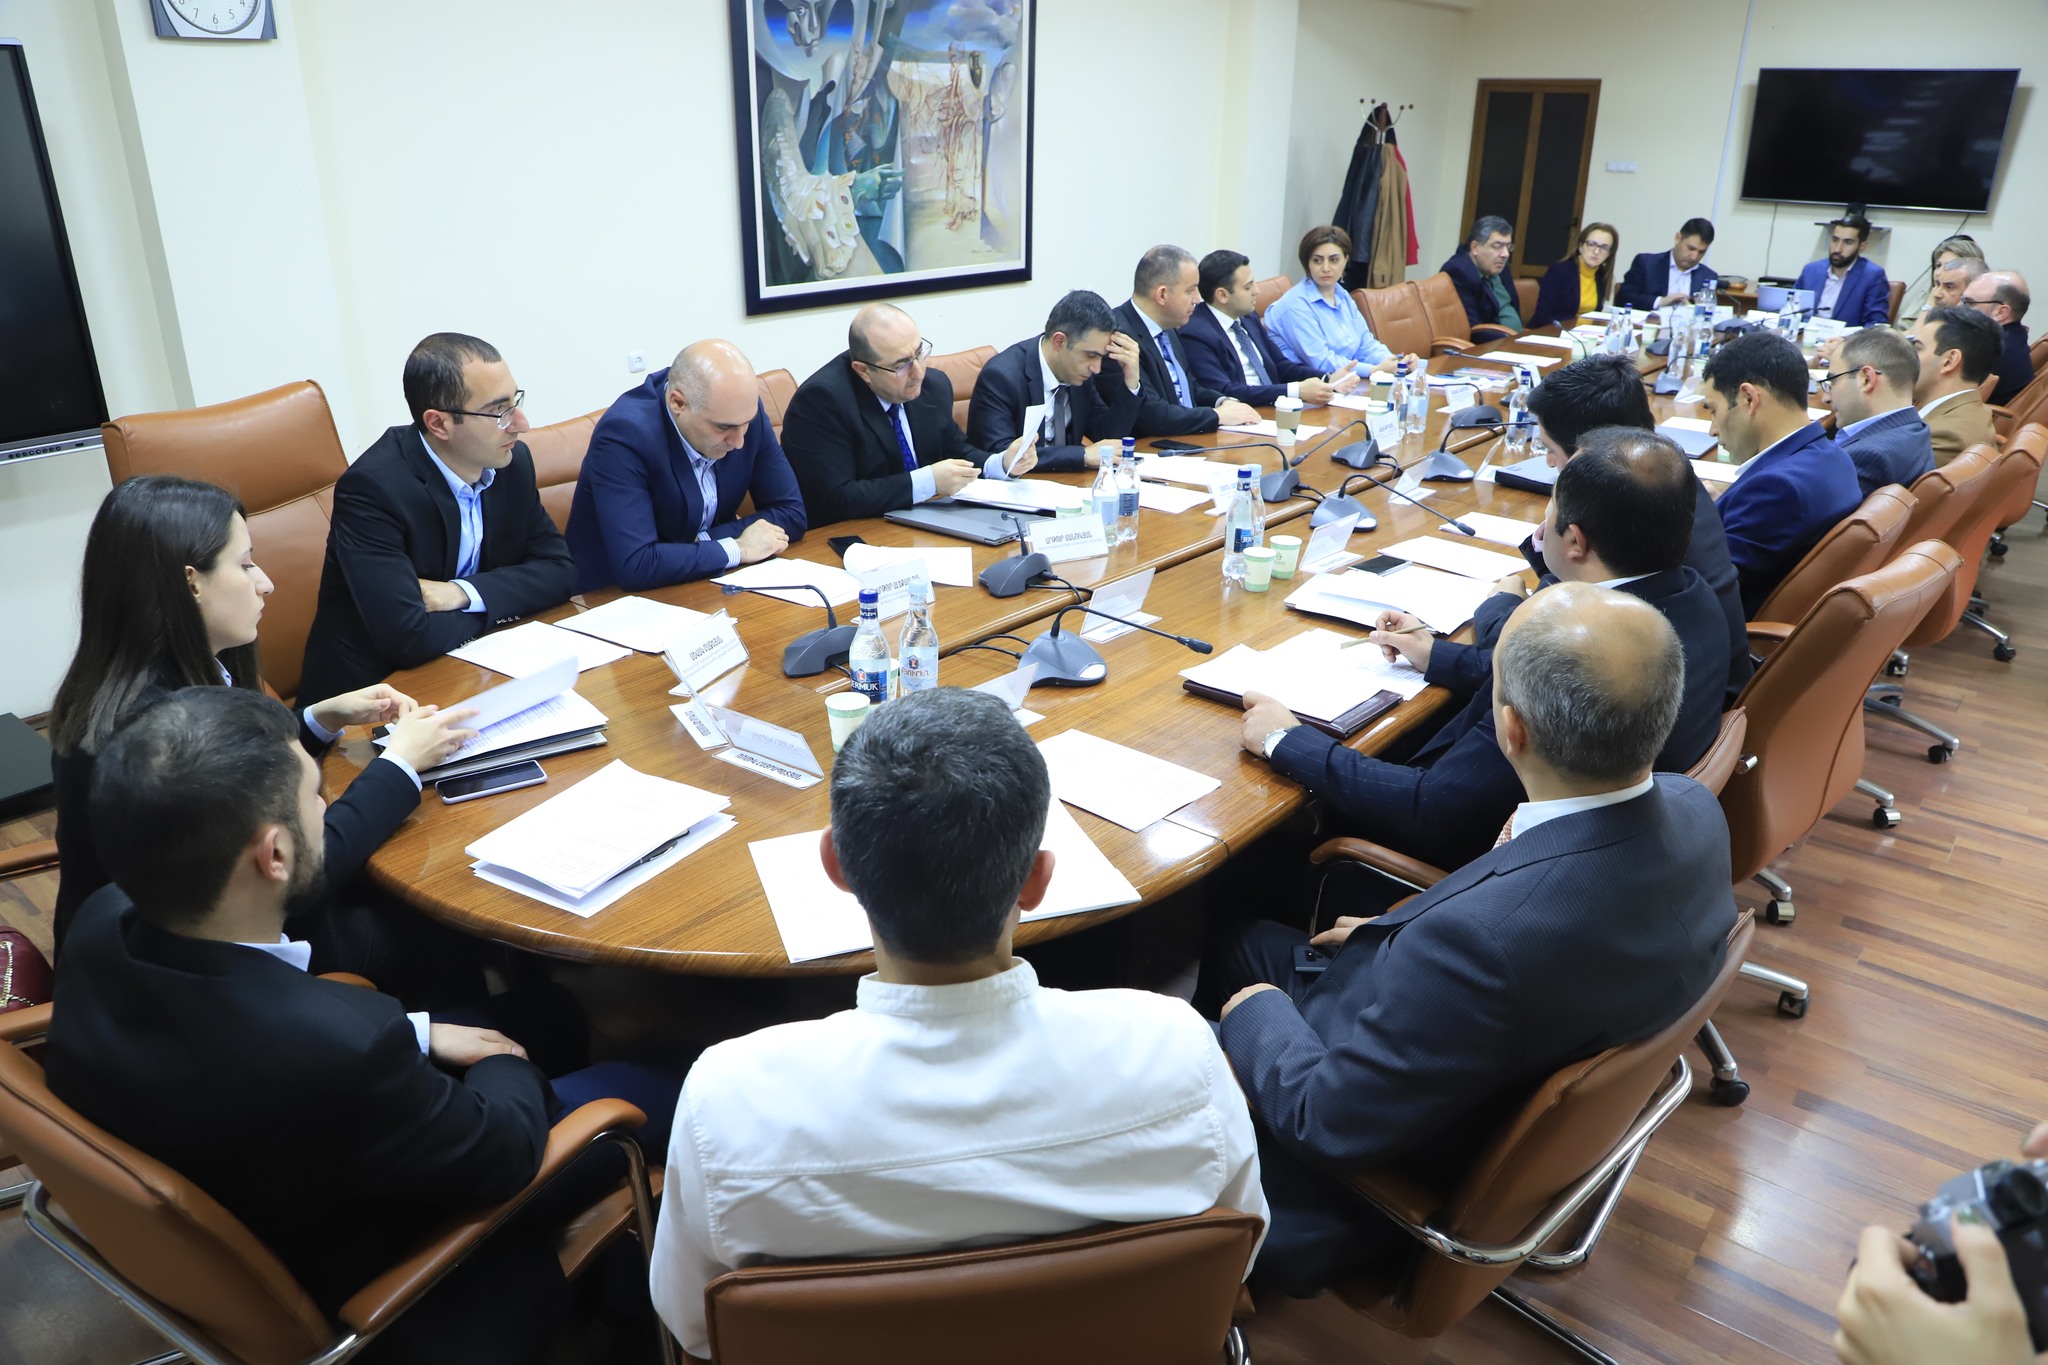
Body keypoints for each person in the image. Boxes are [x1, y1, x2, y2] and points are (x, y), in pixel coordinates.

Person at [44, 687, 682, 1365]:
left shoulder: (102, 922)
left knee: (556, 1012)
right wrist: (507, 1061)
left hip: (256, 1157)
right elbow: (505, 1154)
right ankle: (629, 1300)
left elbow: (293, 1033)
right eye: (314, 796)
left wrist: (419, 1031)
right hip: (414, 1265)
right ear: (274, 856)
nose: (327, 808)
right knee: (675, 1074)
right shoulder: (342, 1049)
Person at [648, 688, 1267, 1359]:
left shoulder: (729, 1098)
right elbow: (1239, 1253)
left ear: (836, 866)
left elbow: (695, 1325)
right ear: (1037, 881)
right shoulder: (1177, 1050)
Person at [1212, 582, 1737, 1296]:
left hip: (1376, 1159)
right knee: (1248, 937)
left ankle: (1231, 1217)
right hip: (1486, 1036)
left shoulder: (1480, 945)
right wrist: (1400, 932)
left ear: (1510, 730)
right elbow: (1514, 914)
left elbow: (1323, 1118)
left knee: (1240, 975)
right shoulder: (1695, 805)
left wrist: (1257, 1012)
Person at [1239, 431, 1734, 874]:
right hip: (1613, 841)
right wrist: (1435, 655)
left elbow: (1426, 811)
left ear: (1576, 540)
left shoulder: (1574, 653)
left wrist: (1285, 739)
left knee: (1255, 858)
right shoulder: (1690, 598)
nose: (1543, 521)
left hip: (1475, 868)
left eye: (1551, 507)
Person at [46, 477, 477, 969]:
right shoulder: (161, 732)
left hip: (179, 935)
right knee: (443, 919)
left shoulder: (129, 680)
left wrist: (318, 718)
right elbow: (297, 870)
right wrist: (401, 763)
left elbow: (243, 775)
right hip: (198, 969)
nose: (266, 582)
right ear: (191, 582)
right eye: (246, 563)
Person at [299, 333, 576, 705]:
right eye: (499, 411)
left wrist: (462, 594)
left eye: (516, 401)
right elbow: (409, 637)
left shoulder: (512, 464)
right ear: (439, 424)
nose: (521, 423)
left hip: (476, 672)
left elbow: (561, 572)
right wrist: (503, 604)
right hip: (372, 700)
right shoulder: (374, 489)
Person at [1524, 353, 1750, 705]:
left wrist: (1500, 607)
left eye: (1551, 449)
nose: (1549, 461)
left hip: (1657, 700)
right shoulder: (1672, 482)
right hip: (1708, 687)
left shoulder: (1636, 516)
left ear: (1592, 449)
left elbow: (1533, 654)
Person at [565, 339, 808, 594]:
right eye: (723, 428)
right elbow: (638, 564)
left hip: (708, 581)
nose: (739, 442)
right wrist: (738, 547)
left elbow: (792, 513)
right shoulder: (624, 436)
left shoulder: (740, 412)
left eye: (746, 423)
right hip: (613, 597)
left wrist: (703, 542)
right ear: (678, 403)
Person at [779, 304, 1037, 527]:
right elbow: (835, 499)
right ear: (863, 371)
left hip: (926, 525)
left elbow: (958, 452)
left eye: (919, 353)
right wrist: (928, 482)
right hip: (855, 537)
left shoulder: (932, 386)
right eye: (901, 365)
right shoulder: (821, 402)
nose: (919, 373)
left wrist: (1002, 463)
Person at [1698, 331, 1862, 615]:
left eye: (1714, 411)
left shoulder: (1777, 489)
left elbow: (1707, 591)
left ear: (1748, 398)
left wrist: (1687, 521)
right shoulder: (1833, 457)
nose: (1713, 430)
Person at [966, 289, 1143, 471]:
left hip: (1065, 480)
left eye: (1101, 357)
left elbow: (1106, 437)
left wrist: (1131, 382)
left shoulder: (1078, 374)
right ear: (1059, 341)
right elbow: (1004, 454)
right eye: (1091, 355)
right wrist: (1081, 455)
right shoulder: (1001, 377)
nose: (1096, 368)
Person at [1110, 245, 1262, 437]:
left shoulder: (1169, 326)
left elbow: (1190, 387)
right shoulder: (1120, 337)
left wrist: (1223, 401)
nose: (1197, 299)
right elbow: (1150, 414)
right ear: (1162, 295)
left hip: (1188, 436)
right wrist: (1217, 415)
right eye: (1190, 291)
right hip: (1152, 444)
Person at [1181, 248, 1361, 407]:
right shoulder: (1196, 333)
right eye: (1248, 287)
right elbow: (1224, 391)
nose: (1256, 291)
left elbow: (1280, 365)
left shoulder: (1248, 317)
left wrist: (1328, 378)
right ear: (1222, 295)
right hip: (1242, 416)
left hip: (1274, 408)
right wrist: (1296, 391)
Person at [1263, 226, 1422, 379]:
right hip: (1308, 385)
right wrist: (1374, 370)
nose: (1326, 268)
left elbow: (1365, 344)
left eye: (1334, 260)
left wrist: (1395, 362)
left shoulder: (1342, 295)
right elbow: (1322, 362)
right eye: (1317, 261)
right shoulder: (1295, 305)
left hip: (1346, 380)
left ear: (1345, 260)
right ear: (1307, 264)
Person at [1826, 327, 1936, 497]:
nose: (1826, 397)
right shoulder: (1918, 430)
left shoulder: (1864, 457)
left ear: (1866, 379)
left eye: (1832, 381)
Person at [1908, 306, 2003, 465]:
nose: (1906, 356)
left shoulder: (1945, 437)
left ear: (1949, 361)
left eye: (1917, 348)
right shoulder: (1973, 411)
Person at [1795, 217, 1892, 327]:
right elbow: (1791, 309)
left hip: (1846, 337)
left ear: (1862, 246)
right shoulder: (1810, 270)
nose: (1837, 249)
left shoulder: (1873, 276)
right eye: (1835, 240)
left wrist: (1846, 337)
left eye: (1848, 242)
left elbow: (1876, 323)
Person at [1613, 217, 1721, 311]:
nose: (1694, 257)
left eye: (1701, 252)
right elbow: (1623, 299)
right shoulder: (1646, 264)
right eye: (1690, 248)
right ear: (1678, 238)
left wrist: (1691, 309)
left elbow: (1709, 313)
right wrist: (1660, 301)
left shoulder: (1708, 277)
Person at [1963, 270, 2035, 407]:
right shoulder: (2014, 336)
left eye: (1969, 303)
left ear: (2000, 312)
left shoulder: (1989, 349)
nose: (1958, 308)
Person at [1439, 215, 1522, 332]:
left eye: (1508, 247)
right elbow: (1475, 329)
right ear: (1475, 247)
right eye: (1497, 246)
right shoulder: (1459, 272)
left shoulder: (1499, 265)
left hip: (1518, 337)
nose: (1505, 254)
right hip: (1495, 340)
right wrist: (1510, 338)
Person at [1530, 222, 1618, 328]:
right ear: (1580, 246)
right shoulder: (1559, 271)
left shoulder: (1601, 276)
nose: (1596, 251)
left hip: (1584, 333)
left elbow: (1595, 315)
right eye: (1591, 244)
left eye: (1604, 247)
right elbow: (1542, 315)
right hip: (1553, 332)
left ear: (1609, 254)